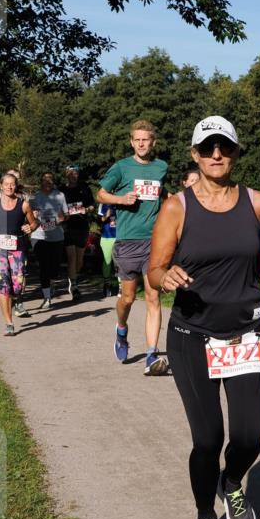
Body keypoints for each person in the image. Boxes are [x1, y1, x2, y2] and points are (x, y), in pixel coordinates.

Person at [148, 116, 260, 519]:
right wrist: (164, 275)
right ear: (194, 154)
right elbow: (152, 270)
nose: (216, 155)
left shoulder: (258, 203)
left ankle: (232, 483)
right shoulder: (177, 207)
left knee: (249, 436)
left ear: (236, 152)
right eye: (207, 148)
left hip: (246, 335)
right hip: (193, 336)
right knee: (208, 438)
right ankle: (206, 515)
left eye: (224, 147)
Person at [98, 120, 169, 374]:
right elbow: (101, 194)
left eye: (146, 139)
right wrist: (120, 199)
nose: (141, 143)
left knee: (153, 296)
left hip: (155, 242)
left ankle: (152, 354)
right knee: (127, 299)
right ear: (131, 142)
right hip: (127, 242)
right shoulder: (121, 168)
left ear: (153, 142)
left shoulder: (162, 168)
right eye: (137, 139)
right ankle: (121, 330)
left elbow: (163, 197)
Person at [0, 173, 39, 336]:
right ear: (1, 186)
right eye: (6, 184)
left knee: (17, 286)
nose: (9, 187)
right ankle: (9, 323)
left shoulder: (23, 204)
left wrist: (31, 227)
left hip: (18, 248)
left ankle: (14, 299)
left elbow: (34, 222)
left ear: (16, 186)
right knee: (4, 285)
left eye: (12, 184)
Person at [29, 172, 67, 310]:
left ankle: (51, 283)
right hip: (38, 235)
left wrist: (61, 218)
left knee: (54, 268)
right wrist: (32, 218)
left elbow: (65, 215)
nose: (47, 182)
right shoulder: (34, 197)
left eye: (50, 180)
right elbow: (28, 216)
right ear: (41, 182)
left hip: (56, 236)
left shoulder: (60, 195)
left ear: (53, 182)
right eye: (45, 180)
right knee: (43, 267)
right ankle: (47, 298)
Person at [60, 165, 95, 299]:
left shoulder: (84, 188)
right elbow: (56, 206)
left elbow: (92, 205)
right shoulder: (61, 190)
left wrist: (87, 209)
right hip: (67, 226)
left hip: (81, 226)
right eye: (71, 173)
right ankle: (74, 285)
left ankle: (72, 277)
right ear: (66, 174)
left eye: (76, 173)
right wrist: (62, 215)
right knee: (71, 257)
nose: (73, 175)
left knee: (79, 260)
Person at [98, 202, 118, 297]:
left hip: (120, 236)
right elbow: (100, 220)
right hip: (107, 237)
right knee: (107, 262)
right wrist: (107, 215)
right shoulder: (103, 203)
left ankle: (122, 287)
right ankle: (107, 285)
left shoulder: (122, 200)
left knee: (120, 262)